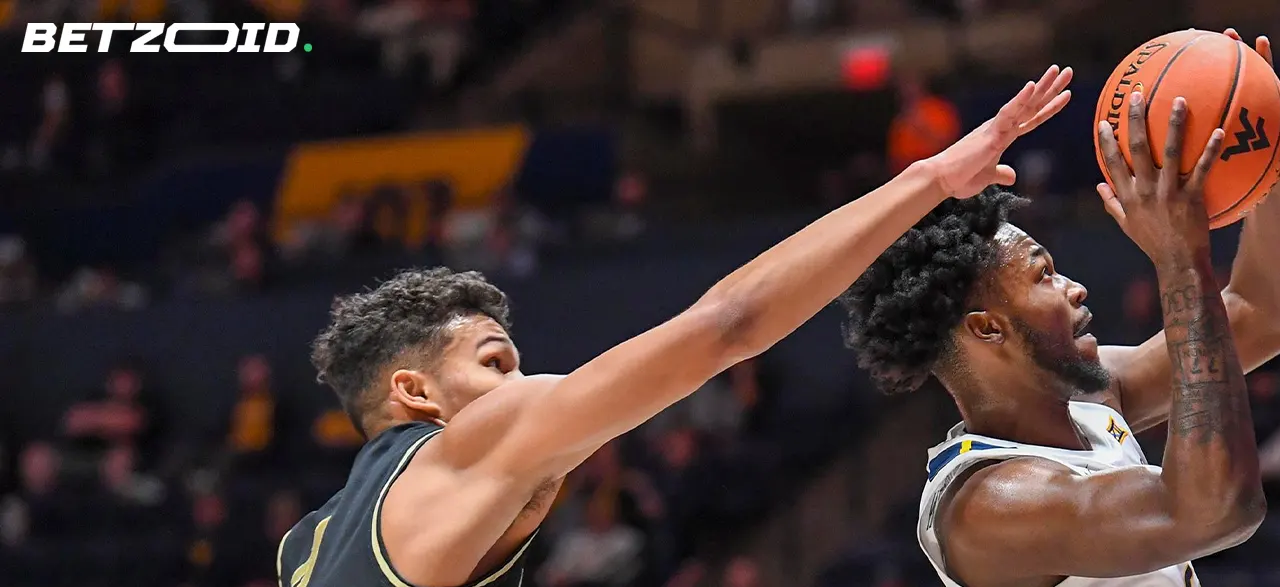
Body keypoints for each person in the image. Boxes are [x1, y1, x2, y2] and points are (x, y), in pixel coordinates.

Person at [273, 66, 1076, 587]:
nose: (523, 388)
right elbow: (728, 324)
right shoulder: (470, 445)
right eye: (494, 364)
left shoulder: (301, 551)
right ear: (415, 391)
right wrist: (932, 179)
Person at [838, 30, 1280, 587]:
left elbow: (1278, 308)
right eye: (1044, 275)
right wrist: (1179, 258)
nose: (1075, 287)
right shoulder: (992, 505)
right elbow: (1214, 511)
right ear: (987, 328)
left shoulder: (1092, 393)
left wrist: (1256, 148)